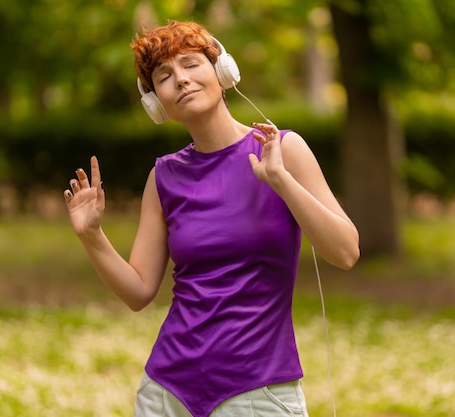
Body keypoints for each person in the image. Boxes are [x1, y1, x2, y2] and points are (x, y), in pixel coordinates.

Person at [63, 20, 359, 417]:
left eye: (191, 65)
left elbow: (346, 252)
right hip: (167, 392)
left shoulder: (283, 149)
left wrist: (281, 181)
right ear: (156, 103)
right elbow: (138, 292)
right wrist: (92, 236)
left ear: (223, 72)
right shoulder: (164, 176)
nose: (181, 80)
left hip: (258, 391)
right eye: (164, 76)